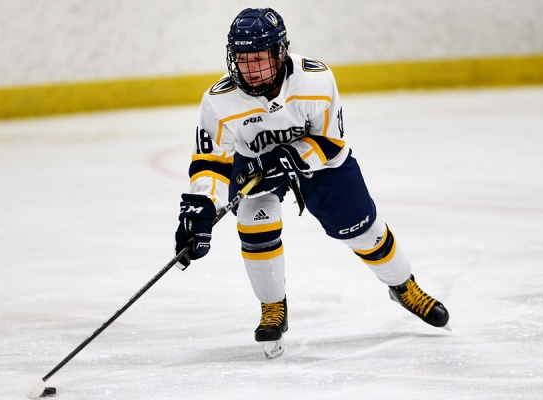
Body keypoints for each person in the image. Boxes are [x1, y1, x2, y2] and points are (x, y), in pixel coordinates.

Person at [174, 7, 449, 358]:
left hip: (321, 163)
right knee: (255, 226)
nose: (252, 68)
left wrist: (290, 157)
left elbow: (331, 141)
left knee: (363, 231)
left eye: (259, 57)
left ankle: (404, 286)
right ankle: (273, 308)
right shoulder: (218, 100)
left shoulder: (315, 81)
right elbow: (211, 160)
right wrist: (199, 208)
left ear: (280, 52)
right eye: (243, 59)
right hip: (253, 166)